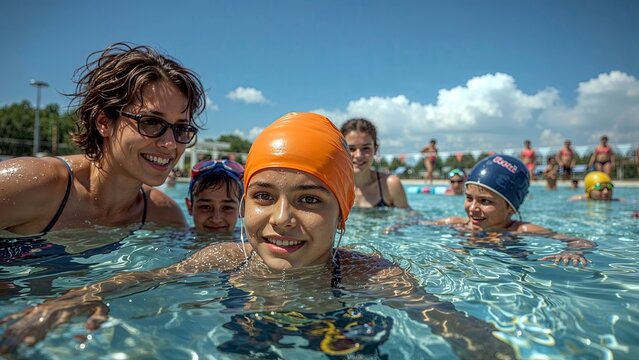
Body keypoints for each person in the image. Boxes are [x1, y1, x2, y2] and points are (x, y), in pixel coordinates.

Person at [0, 113, 515, 359]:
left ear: (343, 214)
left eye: (310, 200)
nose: (282, 219)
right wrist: (75, 298)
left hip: (343, 334)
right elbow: (141, 278)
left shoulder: (367, 272)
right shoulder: (225, 257)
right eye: (264, 196)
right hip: (249, 333)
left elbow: (464, 330)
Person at [0, 43, 206, 237]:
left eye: (181, 128)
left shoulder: (163, 216)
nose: (170, 143)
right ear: (104, 122)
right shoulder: (30, 186)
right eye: (151, 122)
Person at [435, 154, 595, 266]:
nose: (473, 208)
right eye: (469, 198)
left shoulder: (520, 229)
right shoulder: (455, 223)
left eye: (485, 201)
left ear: (511, 208)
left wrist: (572, 252)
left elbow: (582, 242)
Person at [340, 118, 409, 208]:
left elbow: (408, 218)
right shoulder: (333, 186)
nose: (358, 155)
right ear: (341, 150)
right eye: (351, 149)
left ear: (376, 149)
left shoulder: (390, 185)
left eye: (366, 148)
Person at [185, 159, 244, 234]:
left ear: (242, 209)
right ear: (189, 207)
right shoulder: (177, 240)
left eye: (227, 208)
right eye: (205, 207)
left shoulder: (253, 241)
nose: (216, 219)